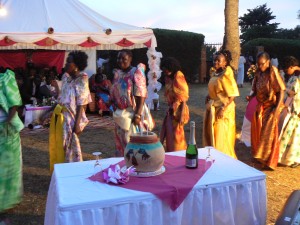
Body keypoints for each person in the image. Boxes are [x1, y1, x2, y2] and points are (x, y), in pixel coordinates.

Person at [52, 51, 91, 165]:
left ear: (76, 66)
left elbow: (82, 103)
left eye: (69, 62)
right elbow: (61, 99)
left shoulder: (82, 79)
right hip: (61, 116)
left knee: (71, 146)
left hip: (72, 118)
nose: (65, 65)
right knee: (61, 145)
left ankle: (73, 169)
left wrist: (77, 124)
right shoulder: (65, 78)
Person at [249, 52, 285, 170]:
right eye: (258, 64)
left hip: (272, 106)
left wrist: (276, 111)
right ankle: (259, 156)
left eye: (262, 64)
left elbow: (281, 91)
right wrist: (251, 96)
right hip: (261, 106)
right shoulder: (258, 72)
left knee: (268, 133)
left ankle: (268, 161)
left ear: (268, 62)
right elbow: (256, 89)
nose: (260, 66)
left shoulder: (272, 71)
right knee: (257, 131)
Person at [110, 49, 148, 156]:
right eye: (118, 58)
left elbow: (141, 95)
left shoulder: (136, 73)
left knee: (132, 143)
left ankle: (133, 167)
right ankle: (123, 166)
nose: (120, 61)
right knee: (120, 141)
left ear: (130, 59)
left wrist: (138, 115)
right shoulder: (118, 73)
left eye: (124, 58)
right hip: (120, 114)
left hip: (132, 115)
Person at [203, 50, 239, 158]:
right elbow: (215, 89)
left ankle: (224, 159)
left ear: (225, 63)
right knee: (212, 134)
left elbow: (232, 94)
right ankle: (214, 158)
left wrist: (223, 108)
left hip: (224, 110)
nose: (216, 62)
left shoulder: (227, 73)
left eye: (219, 61)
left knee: (221, 136)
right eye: (215, 60)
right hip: (214, 106)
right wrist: (209, 95)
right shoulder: (215, 73)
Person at [0, 69, 24, 224]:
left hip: (5, 129)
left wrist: (8, 123)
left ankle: (4, 206)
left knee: (7, 168)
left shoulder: (6, 76)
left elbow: (14, 103)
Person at [159, 57, 189, 151]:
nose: (164, 72)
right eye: (163, 70)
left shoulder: (178, 76)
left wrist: (181, 115)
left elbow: (184, 97)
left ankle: (179, 153)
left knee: (177, 135)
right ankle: (171, 152)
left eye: (165, 70)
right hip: (171, 110)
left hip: (179, 110)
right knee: (169, 134)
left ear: (171, 68)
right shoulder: (168, 77)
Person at [278, 56, 300, 168]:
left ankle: (295, 159)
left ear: (292, 67)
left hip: (297, 110)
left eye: (287, 69)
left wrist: (283, 88)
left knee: (296, 135)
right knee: (291, 134)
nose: (287, 72)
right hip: (293, 109)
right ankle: (289, 157)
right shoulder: (294, 76)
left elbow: (293, 92)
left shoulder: (297, 78)